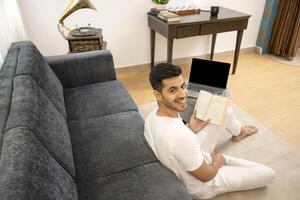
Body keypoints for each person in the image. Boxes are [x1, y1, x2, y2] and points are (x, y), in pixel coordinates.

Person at [144, 63, 275, 199]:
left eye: (182, 86)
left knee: (226, 112)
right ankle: (223, 160)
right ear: (158, 95)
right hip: (201, 185)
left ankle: (239, 132)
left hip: (190, 155)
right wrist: (217, 163)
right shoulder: (181, 138)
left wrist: (191, 129)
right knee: (268, 173)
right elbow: (206, 176)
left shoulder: (152, 117)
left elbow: (176, 144)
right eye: (172, 90)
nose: (183, 94)